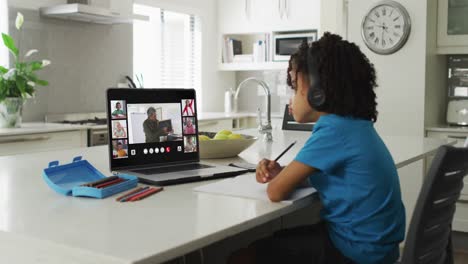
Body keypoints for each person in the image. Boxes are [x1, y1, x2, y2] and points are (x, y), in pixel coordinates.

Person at [229, 33, 405, 264]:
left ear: (318, 91)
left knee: (243, 256)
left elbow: (275, 192)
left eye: (294, 87)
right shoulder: (353, 124)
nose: (291, 98)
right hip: (375, 249)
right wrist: (283, 173)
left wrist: (280, 180)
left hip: (355, 252)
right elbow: (326, 178)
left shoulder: (334, 130)